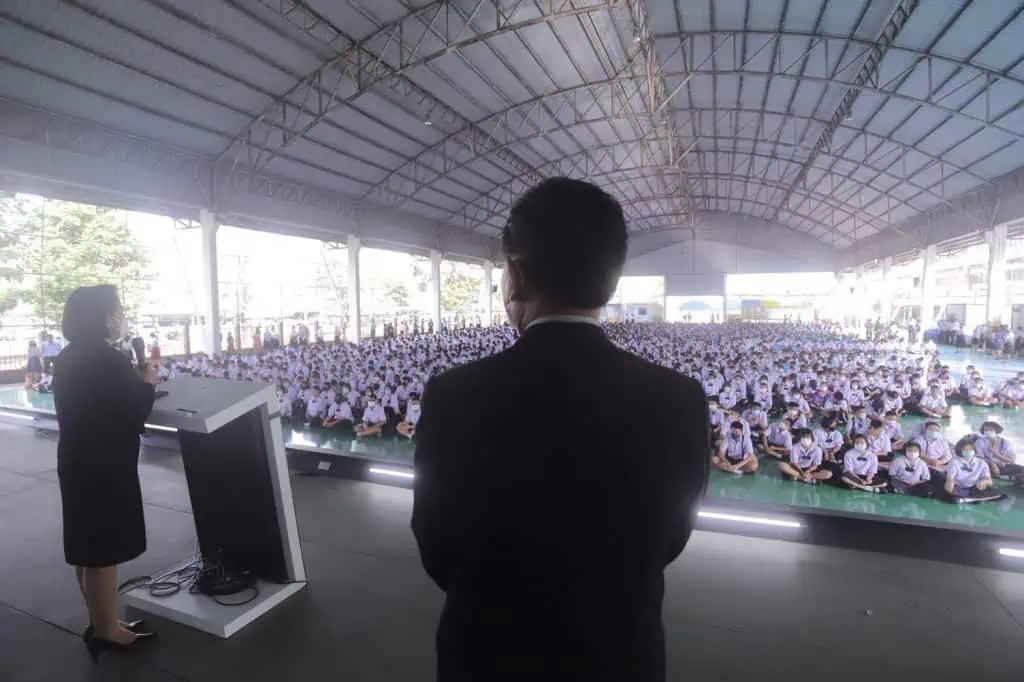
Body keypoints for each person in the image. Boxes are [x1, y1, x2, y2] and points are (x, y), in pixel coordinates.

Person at [411, 178, 710, 682]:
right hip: (617, 651)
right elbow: (669, 538)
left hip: (487, 651)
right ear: (610, 281)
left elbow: (435, 541)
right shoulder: (678, 399)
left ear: (516, 275)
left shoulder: (453, 394)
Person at [52, 285, 158, 661]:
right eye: (118, 308)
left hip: (79, 459)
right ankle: (108, 631)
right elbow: (132, 410)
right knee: (103, 551)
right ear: (103, 316)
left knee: (88, 548)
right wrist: (146, 383)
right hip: (105, 465)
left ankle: (101, 621)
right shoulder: (106, 359)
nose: (122, 315)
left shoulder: (69, 356)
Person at [941, 437, 1005, 504]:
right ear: (960, 451)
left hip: (974, 488)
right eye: (965, 450)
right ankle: (973, 499)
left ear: (974, 450)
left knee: (996, 492)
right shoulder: (954, 461)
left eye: (970, 449)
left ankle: (966, 499)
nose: (968, 451)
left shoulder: (981, 463)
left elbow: (990, 481)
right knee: (948, 493)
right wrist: (949, 484)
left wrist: (984, 481)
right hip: (958, 488)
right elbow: (950, 479)